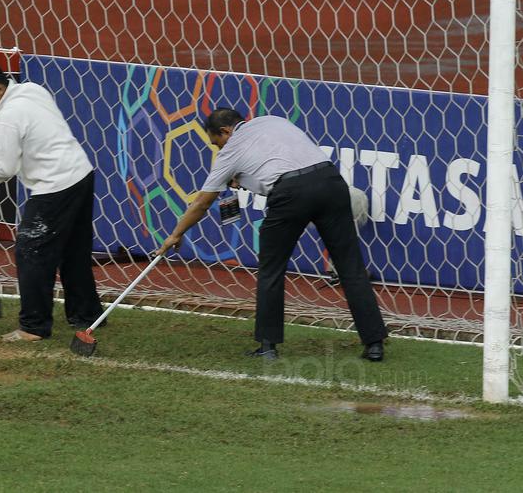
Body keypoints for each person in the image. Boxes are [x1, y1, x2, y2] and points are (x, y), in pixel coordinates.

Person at [155, 108, 388, 362]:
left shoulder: (230, 150)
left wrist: (176, 234)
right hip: (331, 182)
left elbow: (202, 203)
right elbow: (282, 162)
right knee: (350, 266)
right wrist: (246, 179)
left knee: (271, 268)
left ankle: (268, 346)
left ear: (225, 131)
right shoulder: (273, 120)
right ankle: (374, 343)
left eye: (216, 142)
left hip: (290, 193)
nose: (218, 148)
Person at [0, 62, 102, 341]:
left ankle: (33, 326)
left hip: (55, 184)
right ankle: (86, 314)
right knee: (74, 251)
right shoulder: (33, 90)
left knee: (31, 251)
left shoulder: (8, 116)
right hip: (81, 173)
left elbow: (5, 169)